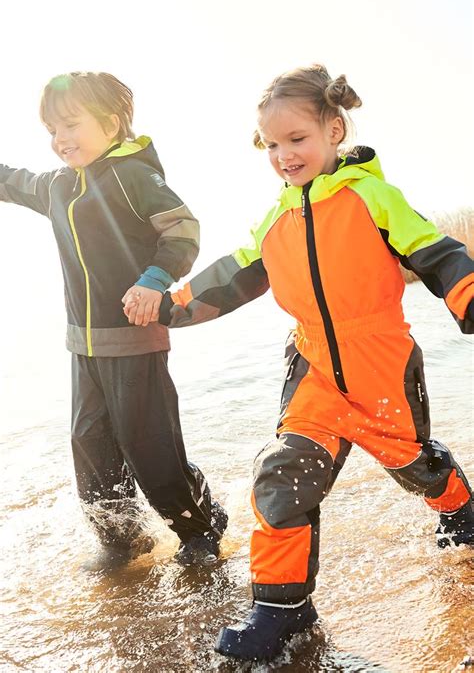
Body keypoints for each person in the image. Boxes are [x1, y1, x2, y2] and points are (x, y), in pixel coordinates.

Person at [130, 63, 474, 661]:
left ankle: (460, 508)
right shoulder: (276, 218)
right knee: (282, 474)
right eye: (271, 144)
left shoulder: (374, 197)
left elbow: (434, 252)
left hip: (380, 364)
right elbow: (232, 276)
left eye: (297, 139)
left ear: (334, 130)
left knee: (414, 462)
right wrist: (170, 304)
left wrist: (466, 293)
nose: (284, 154)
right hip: (312, 367)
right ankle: (281, 607)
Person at [0, 71, 227, 569]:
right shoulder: (58, 186)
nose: (61, 139)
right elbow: (10, 180)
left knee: (150, 450)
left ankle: (202, 529)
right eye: (52, 130)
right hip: (82, 349)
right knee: (92, 452)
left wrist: (152, 279)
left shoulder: (133, 177)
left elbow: (183, 230)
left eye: (71, 125)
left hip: (134, 341)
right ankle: (122, 545)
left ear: (110, 122)